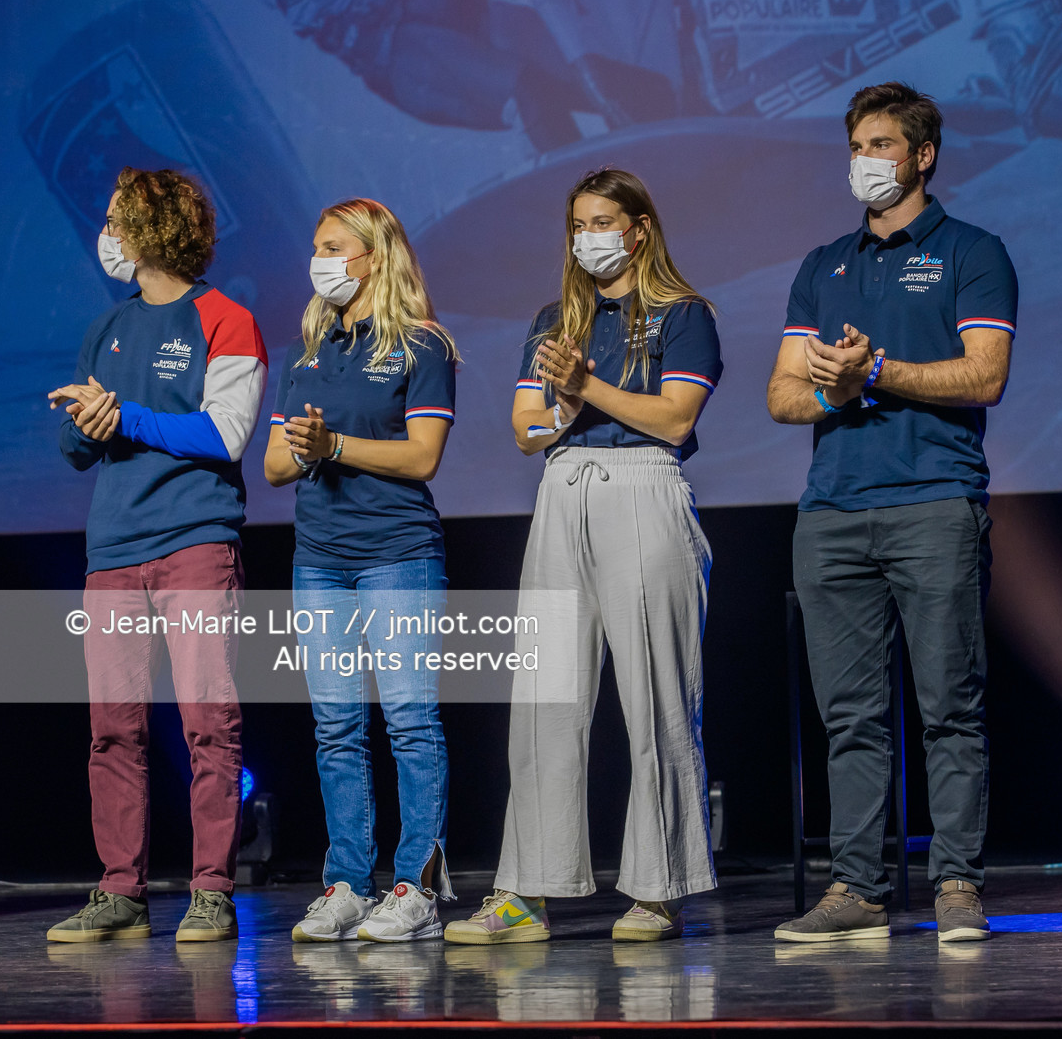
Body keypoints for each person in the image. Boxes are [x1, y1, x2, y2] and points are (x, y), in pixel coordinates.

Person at [443, 168, 723, 944]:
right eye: (577, 224)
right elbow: (525, 428)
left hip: (642, 487)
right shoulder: (553, 320)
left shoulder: (682, 313)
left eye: (603, 221)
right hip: (563, 489)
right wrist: (562, 403)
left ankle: (658, 889)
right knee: (544, 700)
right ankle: (524, 892)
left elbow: (673, 418)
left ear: (638, 228)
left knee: (656, 698)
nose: (587, 237)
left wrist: (584, 388)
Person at [767, 82, 1017, 944]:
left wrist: (876, 374)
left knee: (950, 704)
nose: (865, 161)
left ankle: (955, 883)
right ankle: (858, 889)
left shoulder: (973, 252)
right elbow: (781, 396)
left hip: (935, 504)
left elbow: (984, 376)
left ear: (922, 155)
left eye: (881, 145)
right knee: (851, 717)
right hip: (832, 513)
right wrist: (836, 386)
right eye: (856, 146)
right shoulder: (821, 262)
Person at [46, 167, 268, 943]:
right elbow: (79, 451)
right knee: (113, 729)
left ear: (150, 228)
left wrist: (128, 416)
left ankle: (211, 891)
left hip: (195, 541)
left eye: (114, 219)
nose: (104, 232)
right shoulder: (107, 328)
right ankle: (122, 893)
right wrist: (85, 419)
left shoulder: (226, 318)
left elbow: (224, 434)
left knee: (209, 723)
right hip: (113, 550)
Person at [264, 199, 460, 942]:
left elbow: (422, 456)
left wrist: (335, 445)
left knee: (410, 722)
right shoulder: (310, 351)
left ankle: (417, 886)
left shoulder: (422, 345)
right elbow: (279, 464)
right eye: (316, 246)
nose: (320, 259)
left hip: (398, 556)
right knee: (335, 728)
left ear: (374, 255)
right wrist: (307, 443)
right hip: (320, 562)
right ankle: (347, 882)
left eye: (334, 246)